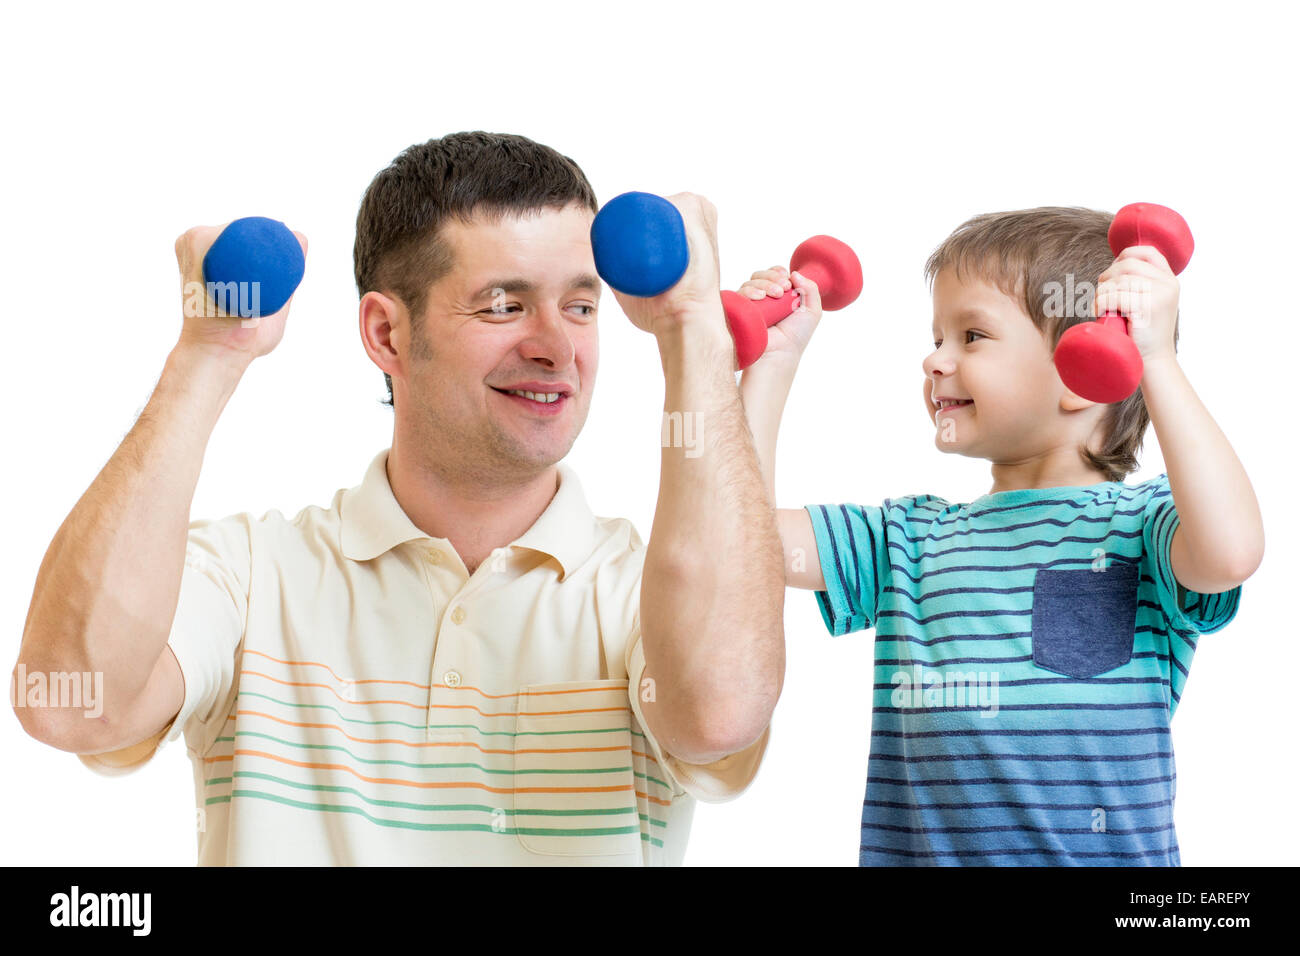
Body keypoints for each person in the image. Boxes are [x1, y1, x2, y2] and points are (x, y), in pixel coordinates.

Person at [13, 131, 785, 866]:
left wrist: (694, 334)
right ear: (386, 335)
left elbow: (716, 711)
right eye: (503, 305)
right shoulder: (251, 578)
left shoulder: (645, 600)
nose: (557, 346)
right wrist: (208, 354)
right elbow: (73, 701)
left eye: (581, 306)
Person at [737, 206, 1264, 865]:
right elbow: (736, 541)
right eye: (937, 336)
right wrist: (770, 369)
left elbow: (1232, 552)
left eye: (972, 335)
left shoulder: (1145, 528)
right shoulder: (905, 539)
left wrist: (1153, 358)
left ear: (1082, 371)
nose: (934, 360)